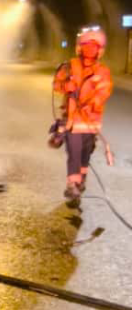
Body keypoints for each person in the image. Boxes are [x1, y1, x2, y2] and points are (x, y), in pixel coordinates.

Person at [53, 27, 113, 202]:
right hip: (72, 119)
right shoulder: (70, 66)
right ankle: (72, 184)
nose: (90, 49)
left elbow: (104, 91)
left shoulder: (102, 71)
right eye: (86, 45)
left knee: (85, 152)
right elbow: (57, 85)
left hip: (91, 120)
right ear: (80, 47)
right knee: (74, 150)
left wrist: (93, 102)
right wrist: (66, 87)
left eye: (94, 46)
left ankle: (82, 178)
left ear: (99, 50)